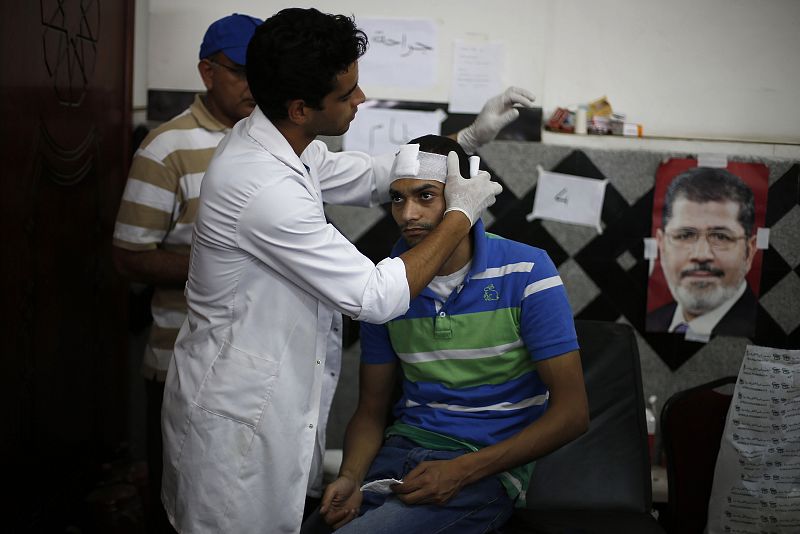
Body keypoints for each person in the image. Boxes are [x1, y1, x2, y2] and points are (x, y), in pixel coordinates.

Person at [159, 8, 535, 534]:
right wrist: (460, 215)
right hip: (238, 420)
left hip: (266, 399)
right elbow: (375, 296)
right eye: (348, 93)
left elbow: (374, 175)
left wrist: (468, 139)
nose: (361, 99)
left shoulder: (284, 145)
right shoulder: (264, 188)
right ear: (299, 107)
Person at [317, 135, 589, 533]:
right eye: (397, 198)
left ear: (466, 195)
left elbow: (573, 414)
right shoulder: (387, 283)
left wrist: (461, 471)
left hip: (484, 467)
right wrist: (351, 477)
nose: (408, 213)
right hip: (400, 455)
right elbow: (371, 412)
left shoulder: (528, 271)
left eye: (425, 196)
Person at [111, 13, 262, 533]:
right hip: (180, 359)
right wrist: (218, 267)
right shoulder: (166, 147)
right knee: (176, 504)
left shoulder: (273, 144)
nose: (254, 84)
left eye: (263, 70)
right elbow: (130, 256)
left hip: (253, 365)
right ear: (207, 71)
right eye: (241, 71)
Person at [646, 166, 758, 337]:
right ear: (661, 246)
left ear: (748, 253)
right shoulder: (652, 322)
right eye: (684, 235)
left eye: (720, 237)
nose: (701, 255)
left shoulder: (768, 333)